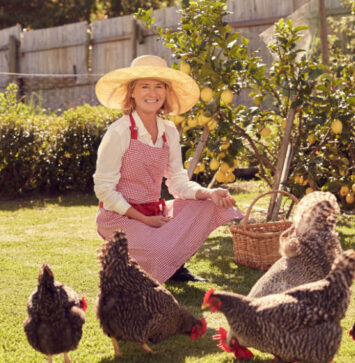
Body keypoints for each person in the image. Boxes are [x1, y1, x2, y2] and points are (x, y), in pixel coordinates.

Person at [93, 55, 243, 283]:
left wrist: (209, 193)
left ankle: (171, 264)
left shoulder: (168, 131)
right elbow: (104, 190)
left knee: (206, 204)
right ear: (131, 92)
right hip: (120, 217)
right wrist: (144, 219)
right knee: (157, 247)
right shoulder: (119, 132)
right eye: (145, 86)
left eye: (158, 87)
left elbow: (177, 181)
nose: (152, 93)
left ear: (166, 92)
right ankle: (156, 263)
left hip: (155, 212)